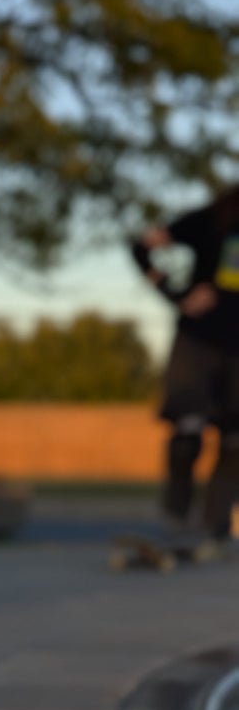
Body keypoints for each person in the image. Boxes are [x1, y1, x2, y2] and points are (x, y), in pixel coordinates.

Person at [131, 187, 239, 542]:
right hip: (199, 342)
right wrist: (173, 294)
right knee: (187, 432)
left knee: (234, 441)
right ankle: (177, 517)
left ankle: (216, 524)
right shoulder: (214, 218)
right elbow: (141, 245)